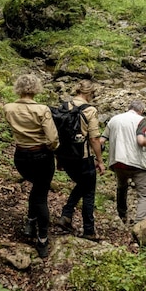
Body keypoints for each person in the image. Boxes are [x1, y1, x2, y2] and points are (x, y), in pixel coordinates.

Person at [3, 74, 59, 258]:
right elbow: (52, 139)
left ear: (18, 88)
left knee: (36, 190)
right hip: (41, 155)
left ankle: (30, 221)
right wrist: (53, 148)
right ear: (36, 89)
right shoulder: (42, 110)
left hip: (21, 156)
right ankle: (42, 238)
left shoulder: (8, 108)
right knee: (41, 196)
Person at [53, 80, 105, 241]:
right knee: (88, 191)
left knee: (82, 185)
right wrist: (100, 160)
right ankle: (89, 230)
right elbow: (94, 138)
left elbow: (57, 132)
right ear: (89, 93)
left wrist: (58, 158)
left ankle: (66, 216)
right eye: (93, 94)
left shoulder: (63, 106)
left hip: (65, 156)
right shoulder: (90, 110)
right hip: (82, 157)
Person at [102, 100, 146, 224]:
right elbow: (141, 141)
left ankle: (122, 215)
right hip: (136, 162)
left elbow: (101, 140)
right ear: (140, 111)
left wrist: (98, 160)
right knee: (143, 193)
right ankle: (140, 222)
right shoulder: (140, 120)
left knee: (121, 187)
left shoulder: (114, 120)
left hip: (118, 161)